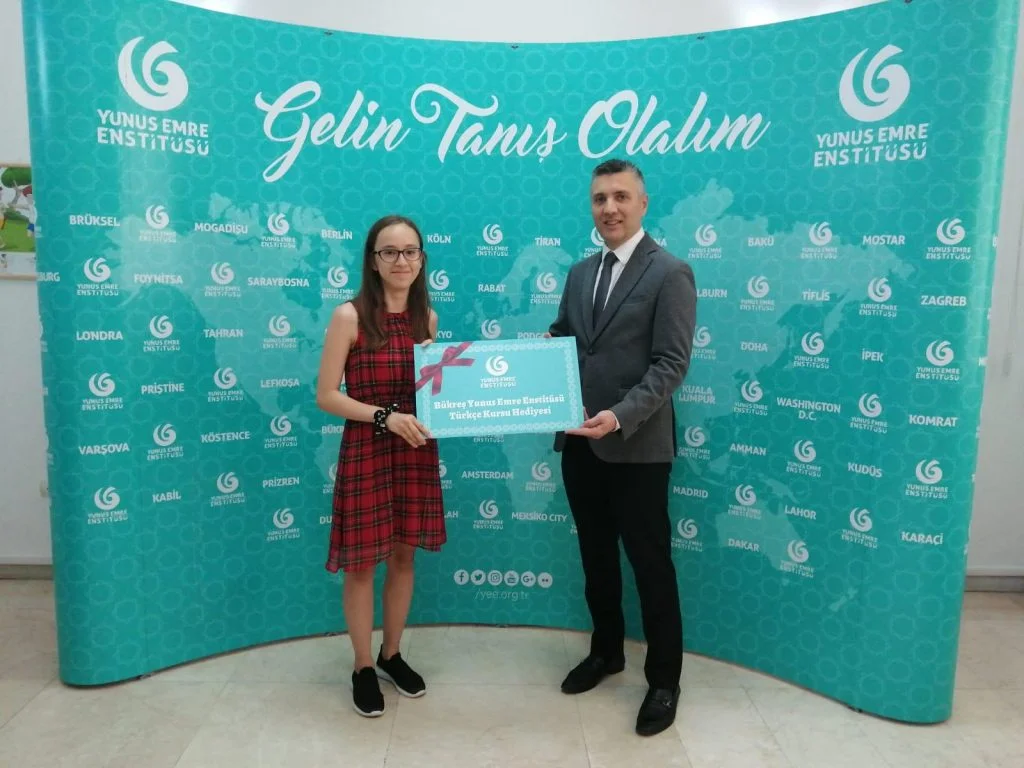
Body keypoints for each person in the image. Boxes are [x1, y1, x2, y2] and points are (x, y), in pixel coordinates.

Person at [547, 159, 697, 736]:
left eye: (620, 196)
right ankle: (606, 651)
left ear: (642, 203)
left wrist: (619, 416)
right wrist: (539, 353)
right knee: (595, 558)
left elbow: (671, 364)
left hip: (636, 447)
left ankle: (664, 681)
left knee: (651, 565)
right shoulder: (580, 272)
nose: (609, 208)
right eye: (599, 198)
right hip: (580, 445)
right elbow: (569, 339)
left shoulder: (670, 272)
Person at [316, 214, 446, 717]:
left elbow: (431, 392)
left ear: (422, 259)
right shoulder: (349, 316)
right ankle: (363, 665)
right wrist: (384, 417)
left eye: (410, 251)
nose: (401, 261)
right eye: (389, 252)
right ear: (373, 261)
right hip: (368, 447)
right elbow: (327, 395)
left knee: (404, 557)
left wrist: (444, 380)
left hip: (413, 449)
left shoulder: (427, 319)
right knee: (361, 565)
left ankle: (392, 654)